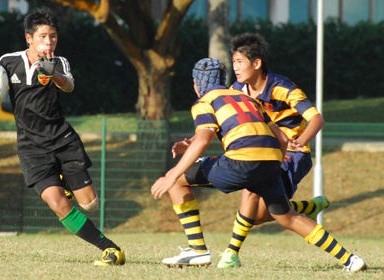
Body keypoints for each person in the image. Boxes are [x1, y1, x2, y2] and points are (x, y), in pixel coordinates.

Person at [150, 57, 366, 272]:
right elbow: (281, 137)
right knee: (288, 218)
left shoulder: (204, 102)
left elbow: (204, 139)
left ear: (197, 84)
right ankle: (350, 259)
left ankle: (198, 251)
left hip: (241, 160)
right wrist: (274, 166)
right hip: (272, 161)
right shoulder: (245, 98)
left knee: (178, 179)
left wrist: (171, 174)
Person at [0, 7, 124, 267]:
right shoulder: (8, 61)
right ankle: (111, 250)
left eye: (52, 36)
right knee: (57, 203)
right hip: (31, 148)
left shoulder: (59, 62)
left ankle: (66, 178)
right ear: (29, 38)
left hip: (63, 141)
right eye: (43, 36)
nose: (48, 42)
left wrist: (53, 74)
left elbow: (69, 86)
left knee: (90, 205)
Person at [217, 32, 329, 268]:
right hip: (265, 153)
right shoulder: (237, 89)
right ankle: (305, 208)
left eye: (239, 62)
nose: (235, 68)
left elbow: (317, 119)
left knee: (251, 191)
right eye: (233, 62)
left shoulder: (282, 87)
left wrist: (300, 140)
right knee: (257, 216)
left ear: (256, 63)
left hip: (293, 156)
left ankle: (230, 253)